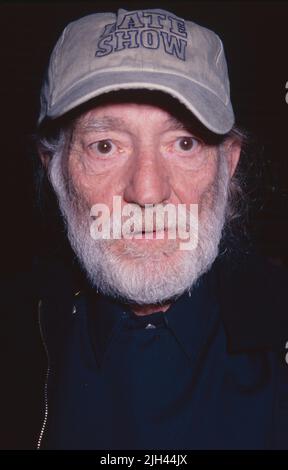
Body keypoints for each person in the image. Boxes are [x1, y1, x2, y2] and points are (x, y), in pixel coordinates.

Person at [34, 7, 288, 450]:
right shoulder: (19, 342)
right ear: (54, 169)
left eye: (184, 143)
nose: (148, 192)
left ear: (228, 164)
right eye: (105, 145)